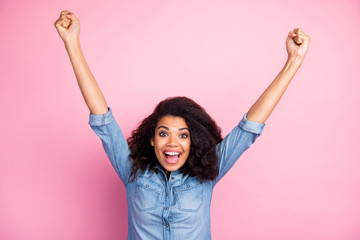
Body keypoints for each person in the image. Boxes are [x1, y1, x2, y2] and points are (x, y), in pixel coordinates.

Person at [54, 10, 311, 240]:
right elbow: (102, 118)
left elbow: (249, 127)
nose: (173, 143)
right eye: (163, 133)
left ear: (193, 142)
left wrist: (293, 62)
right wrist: (71, 43)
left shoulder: (207, 175)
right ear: (152, 139)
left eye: (183, 135)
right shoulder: (132, 171)